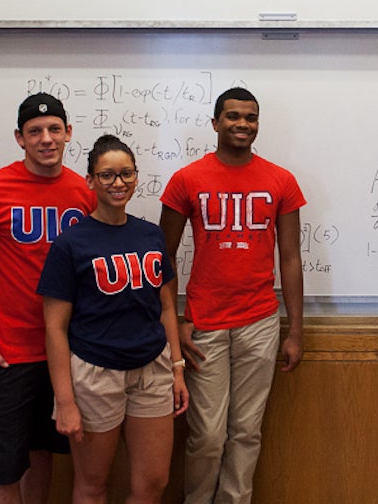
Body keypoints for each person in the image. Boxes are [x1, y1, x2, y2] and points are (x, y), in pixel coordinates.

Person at [0, 92, 96, 504]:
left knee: (41, 453)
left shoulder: (85, 192)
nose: (46, 138)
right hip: (9, 355)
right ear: (19, 138)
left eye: (54, 129)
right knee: (5, 470)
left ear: (68, 134)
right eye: (35, 131)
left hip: (64, 354)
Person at [159, 87, 306, 504]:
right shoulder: (187, 179)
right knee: (207, 435)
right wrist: (175, 326)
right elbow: (163, 257)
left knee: (246, 432)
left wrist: (295, 330)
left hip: (260, 321)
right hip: (204, 323)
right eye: (233, 116)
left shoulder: (281, 180)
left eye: (251, 117)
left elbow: (291, 259)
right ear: (215, 123)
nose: (243, 124)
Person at [37, 134, 189, 504]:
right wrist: (66, 401)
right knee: (92, 485)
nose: (117, 183)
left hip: (152, 370)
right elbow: (55, 328)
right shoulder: (70, 243)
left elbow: (166, 305)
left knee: (154, 482)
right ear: (90, 180)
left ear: (136, 177)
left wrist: (177, 369)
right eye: (106, 175)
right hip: (94, 375)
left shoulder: (150, 235)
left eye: (126, 174)